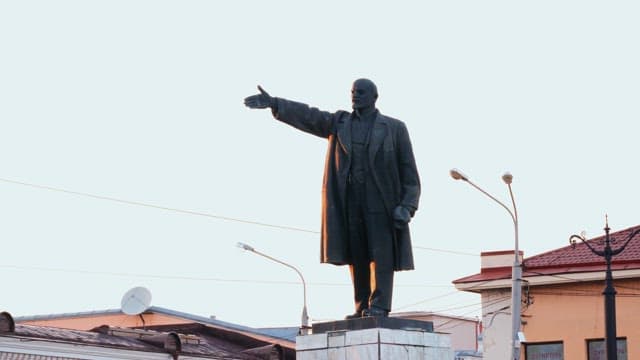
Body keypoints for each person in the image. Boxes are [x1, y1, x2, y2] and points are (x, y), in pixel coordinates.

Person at [244, 79, 420, 318]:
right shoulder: (339, 123)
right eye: (352, 92)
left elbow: (410, 173)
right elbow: (309, 116)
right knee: (357, 256)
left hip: (382, 203)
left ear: (374, 97)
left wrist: (407, 206)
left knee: (382, 255)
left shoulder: (394, 128)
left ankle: (379, 306)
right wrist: (275, 103)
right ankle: (362, 306)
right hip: (350, 202)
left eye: (361, 92)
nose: (355, 96)